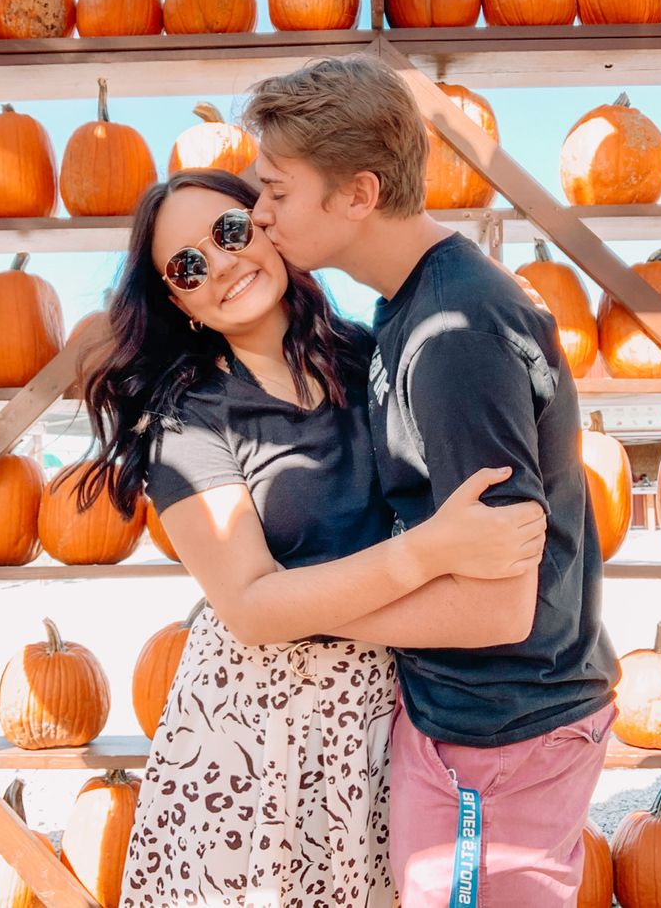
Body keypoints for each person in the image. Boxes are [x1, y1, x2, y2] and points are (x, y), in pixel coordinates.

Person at [78, 169, 546, 908]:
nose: (223, 263)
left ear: (266, 222)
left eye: (230, 231)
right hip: (250, 730)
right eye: (188, 265)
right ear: (179, 301)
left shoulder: (374, 357)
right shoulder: (188, 419)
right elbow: (253, 606)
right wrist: (428, 552)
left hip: (380, 712)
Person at [243, 57, 621, 908]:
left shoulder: (453, 334)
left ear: (359, 195)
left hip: (504, 733)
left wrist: (302, 613)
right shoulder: (414, 303)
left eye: (276, 191)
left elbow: (498, 606)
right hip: (462, 720)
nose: (258, 216)